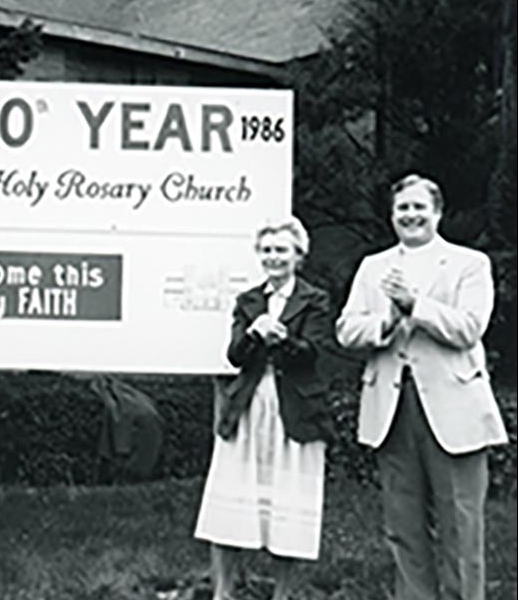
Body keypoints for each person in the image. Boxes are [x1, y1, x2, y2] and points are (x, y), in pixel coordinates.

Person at [335, 173, 508, 600]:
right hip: (392, 409)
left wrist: (417, 305)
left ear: (438, 212)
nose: (410, 215)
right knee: (403, 525)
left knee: (460, 524)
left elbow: (470, 328)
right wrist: (386, 323)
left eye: (418, 207)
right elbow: (346, 329)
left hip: (454, 408)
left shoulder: (469, 264)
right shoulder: (373, 267)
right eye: (402, 209)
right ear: (392, 216)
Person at [195, 216, 334, 600]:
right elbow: (235, 356)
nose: (274, 257)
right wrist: (255, 332)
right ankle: (223, 593)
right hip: (250, 405)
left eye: (282, 250)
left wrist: (284, 337)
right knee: (228, 507)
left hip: (294, 408)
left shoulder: (315, 299)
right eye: (268, 250)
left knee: (288, 506)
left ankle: (283, 595)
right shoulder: (248, 301)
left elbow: (314, 355)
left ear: (298, 255)